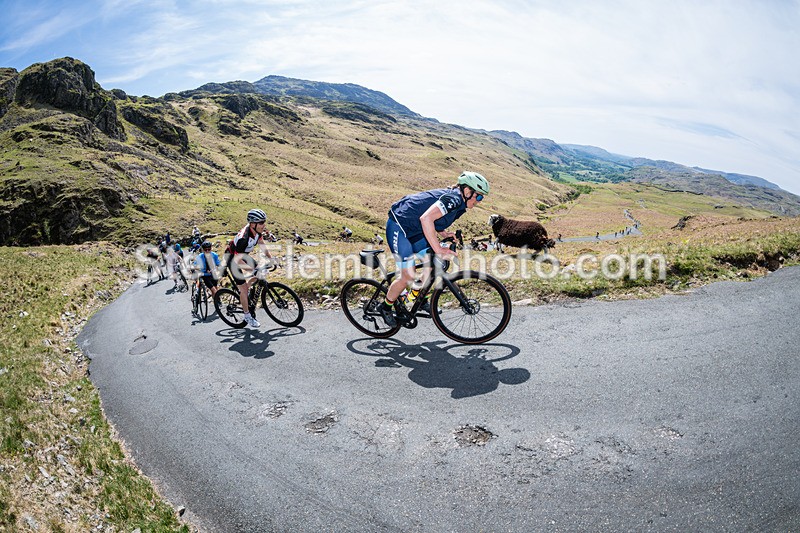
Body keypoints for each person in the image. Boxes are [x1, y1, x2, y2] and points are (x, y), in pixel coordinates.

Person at [380, 171, 489, 327]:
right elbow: (426, 218)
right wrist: (438, 248)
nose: (479, 201)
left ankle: (419, 296)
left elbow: (435, 217)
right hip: (399, 226)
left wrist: (444, 233)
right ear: (467, 191)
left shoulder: (460, 205)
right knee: (407, 275)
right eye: (478, 196)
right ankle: (385, 307)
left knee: (433, 262)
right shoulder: (454, 199)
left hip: (415, 230)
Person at [224, 209, 275, 328]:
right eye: (261, 222)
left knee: (260, 273)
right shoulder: (244, 238)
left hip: (243, 255)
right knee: (244, 288)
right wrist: (252, 271)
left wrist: (271, 258)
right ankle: (247, 316)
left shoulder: (257, 231)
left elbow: (262, 244)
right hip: (232, 259)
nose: (264, 225)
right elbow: (238, 261)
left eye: (264, 222)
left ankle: (248, 290)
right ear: (253, 224)